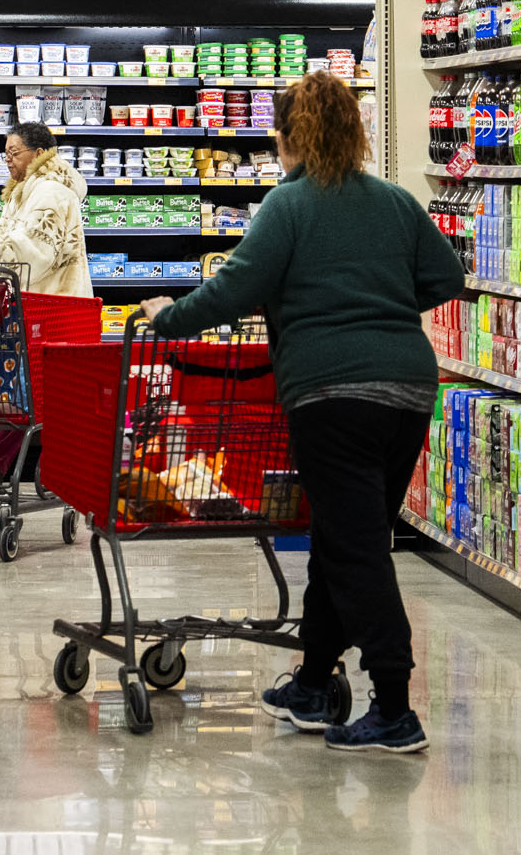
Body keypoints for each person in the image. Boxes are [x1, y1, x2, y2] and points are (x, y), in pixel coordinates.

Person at [141, 69, 463, 754]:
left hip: (330, 393)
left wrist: (168, 318)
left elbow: (234, 289)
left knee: (358, 548)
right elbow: (445, 277)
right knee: (344, 538)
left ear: (285, 137)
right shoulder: (396, 202)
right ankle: (314, 681)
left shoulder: (286, 205)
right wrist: (378, 304)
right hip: (407, 386)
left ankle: (396, 707)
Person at [0, 122, 91, 296]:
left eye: (14, 153)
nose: (7, 159)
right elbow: (4, 237)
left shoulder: (52, 192)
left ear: (39, 154)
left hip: (54, 303)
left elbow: (32, 254)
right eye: (6, 154)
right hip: (33, 302)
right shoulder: (22, 192)